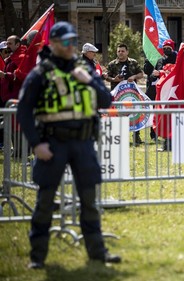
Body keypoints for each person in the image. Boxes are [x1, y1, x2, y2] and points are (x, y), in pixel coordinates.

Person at [16, 21, 121, 269]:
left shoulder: (84, 68)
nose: (70, 45)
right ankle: (37, 257)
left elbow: (106, 101)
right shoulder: (40, 73)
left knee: (89, 201)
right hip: (52, 144)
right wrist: (36, 144)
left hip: (83, 142)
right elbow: (23, 111)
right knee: (45, 202)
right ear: (52, 43)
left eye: (73, 40)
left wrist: (90, 81)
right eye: (65, 41)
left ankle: (98, 253)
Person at [104, 43, 144, 145]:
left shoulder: (133, 62)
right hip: (117, 95)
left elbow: (141, 74)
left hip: (131, 94)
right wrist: (114, 79)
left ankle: (136, 136)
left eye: (122, 51)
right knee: (117, 114)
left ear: (127, 52)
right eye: (119, 51)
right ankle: (119, 137)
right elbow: (106, 76)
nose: (120, 53)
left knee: (134, 114)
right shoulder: (112, 64)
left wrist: (134, 77)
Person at [144, 39, 177, 149]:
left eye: (169, 48)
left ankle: (171, 138)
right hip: (160, 90)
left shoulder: (176, 58)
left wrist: (163, 72)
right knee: (158, 112)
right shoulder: (159, 60)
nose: (166, 50)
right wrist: (155, 74)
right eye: (165, 48)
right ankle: (154, 133)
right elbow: (154, 73)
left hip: (173, 90)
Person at [0, 35, 27, 104]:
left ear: (17, 44)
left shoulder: (21, 57)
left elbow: (22, 76)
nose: (7, 46)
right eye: (7, 44)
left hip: (15, 97)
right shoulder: (11, 58)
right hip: (7, 96)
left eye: (10, 44)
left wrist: (5, 75)